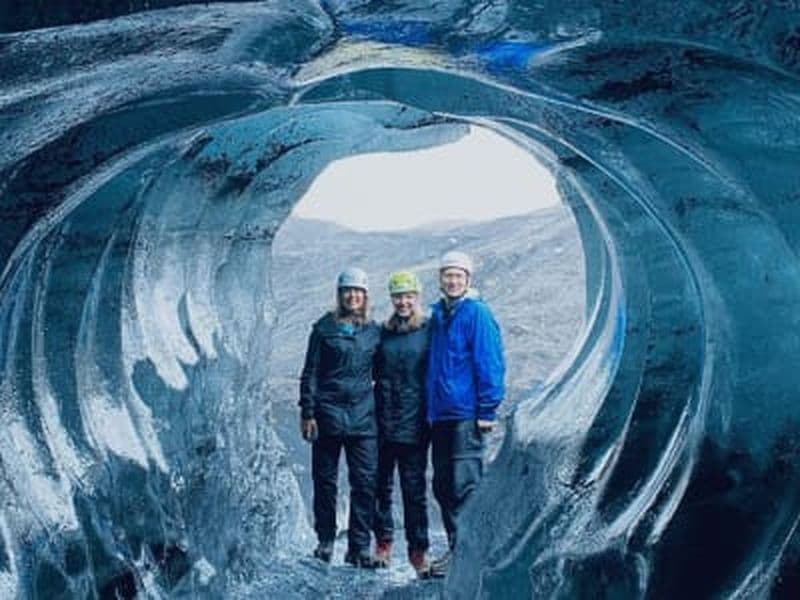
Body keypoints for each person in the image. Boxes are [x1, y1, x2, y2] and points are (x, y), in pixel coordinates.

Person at [425, 251, 505, 577]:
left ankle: (470, 556)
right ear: (440, 279)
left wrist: (487, 409)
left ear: (468, 279)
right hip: (440, 416)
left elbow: (490, 361)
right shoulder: (437, 315)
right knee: (444, 486)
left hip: (466, 415)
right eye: (448, 275)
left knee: (464, 486)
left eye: (458, 275)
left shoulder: (477, 313)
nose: (453, 280)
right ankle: (458, 550)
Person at [299, 267, 381, 568]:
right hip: (327, 415)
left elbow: (383, 373)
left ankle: (359, 547)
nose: (353, 296)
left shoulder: (374, 332)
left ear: (365, 296)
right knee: (325, 482)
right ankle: (325, 540)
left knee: (364, 482)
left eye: (358, 291)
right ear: (340, 294)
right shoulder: (323, 329)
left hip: (363, 417)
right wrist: (307, 412)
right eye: (348, 291)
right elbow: (310, 372)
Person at [372, 271, 432, 577]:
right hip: (382, 421)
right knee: (379, 486)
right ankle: (383, 543)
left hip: (415, 422)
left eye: (408, 296)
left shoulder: (428, 330)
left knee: (414, 491)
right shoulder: (383, 332)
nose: (403, 302)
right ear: (392, 299)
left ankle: (418, 551)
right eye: (398, 296)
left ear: (417, 297)